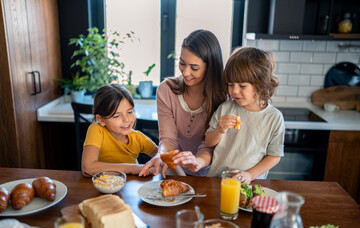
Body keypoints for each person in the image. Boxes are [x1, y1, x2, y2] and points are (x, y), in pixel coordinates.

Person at [139, 29, 227, 177]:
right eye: (182, 63)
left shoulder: (223, 97)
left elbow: (209, 146)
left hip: (209, 174)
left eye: (194, 68)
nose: (185, 72)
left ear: (210, 68)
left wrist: (197, 162)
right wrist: (160, 155)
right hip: (174, 169)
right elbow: (168, 139)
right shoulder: (166, 91)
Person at [204, 47, 285, 184]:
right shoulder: (225, 109)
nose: (234, 91)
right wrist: (219, 130)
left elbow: (274, 156)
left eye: (242, 86)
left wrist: (249, 175)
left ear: (261, 84)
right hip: (218, 181)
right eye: (231, 85)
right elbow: (208, 142)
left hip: (250, 184)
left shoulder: (274, 118)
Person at [82, 84, 158, 176]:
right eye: (117, 116)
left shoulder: (138, 138)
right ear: (101, 120)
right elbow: (88, 168)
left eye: (130, 112)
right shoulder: (97, 130)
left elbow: (161, 156)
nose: (126, 119)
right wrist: (132, 168)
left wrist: (154, 165)